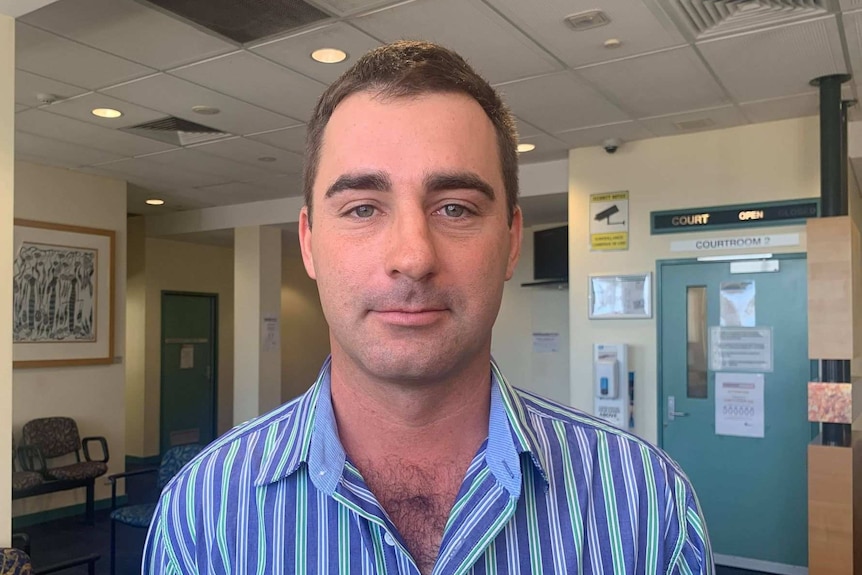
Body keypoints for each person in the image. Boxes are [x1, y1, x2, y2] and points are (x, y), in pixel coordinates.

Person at [143, 40, 713, 574]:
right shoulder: (203, 513)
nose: (413, 257)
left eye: (456, 209)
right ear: (309, 242)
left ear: (511, 242)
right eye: (363, 209)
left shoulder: (646, 503)